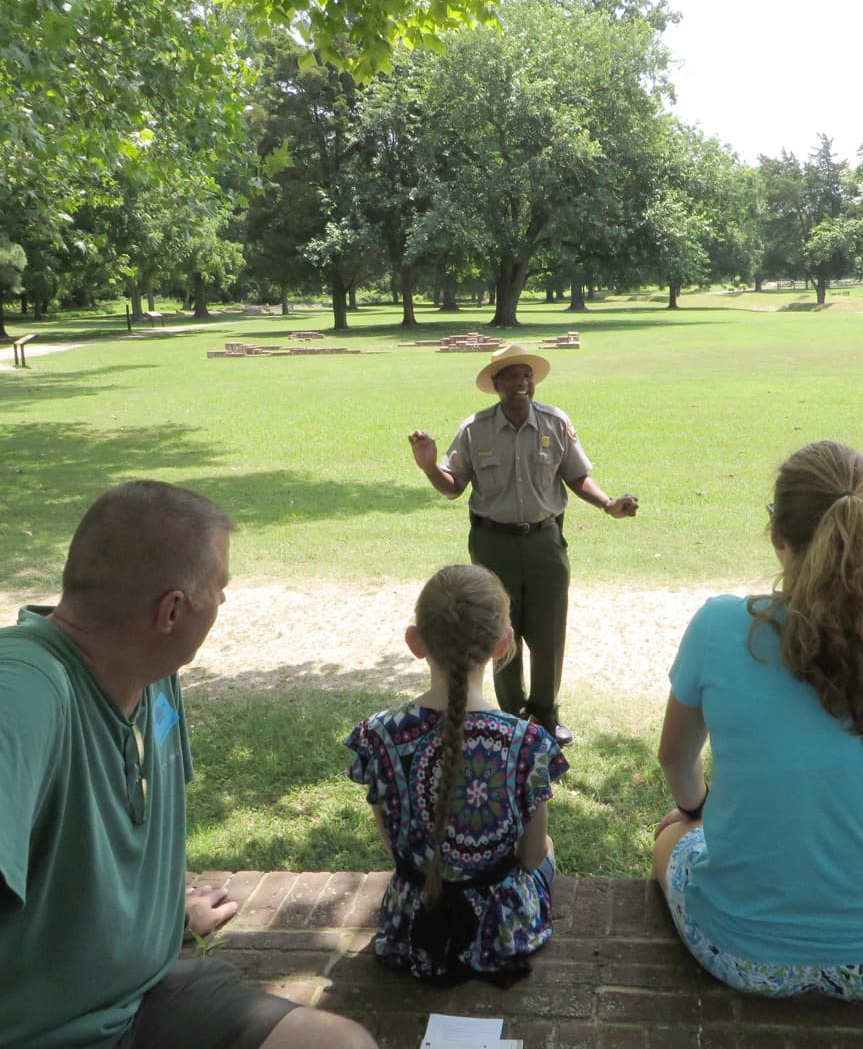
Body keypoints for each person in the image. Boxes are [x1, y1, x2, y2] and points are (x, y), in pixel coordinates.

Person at [0, 480, 377, 1049]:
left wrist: (161, 914)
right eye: (220, 589)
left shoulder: (155, 676)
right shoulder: (24, 689)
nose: (223, 605)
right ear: (172, 610)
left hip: (140, 997)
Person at [652, 441, 863, 1000]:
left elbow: (675, 761)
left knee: (669, 835)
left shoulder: (717, 627)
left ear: (778, 536)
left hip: (739, 952)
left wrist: (695, 812)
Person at [344, 564, 568, 983]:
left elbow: (395, 849)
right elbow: (531, 857)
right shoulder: (526, 743)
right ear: (504, 644)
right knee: (549, 848)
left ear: (416, 642)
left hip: (411, 923)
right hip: (500, 930)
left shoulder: (378, 736)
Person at [408, 343, 638, 746]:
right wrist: (429, 466)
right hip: (492, 544)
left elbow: (576, 476)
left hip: (545, 541)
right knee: (499, 627)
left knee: (549, 630)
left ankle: (546, 714)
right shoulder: (474, 429)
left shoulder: (554, 422)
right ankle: (510, 715)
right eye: (511, 377)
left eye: (526, 375)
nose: (521, 383)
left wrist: (607, 504)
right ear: (495, 385)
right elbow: (453, 488)